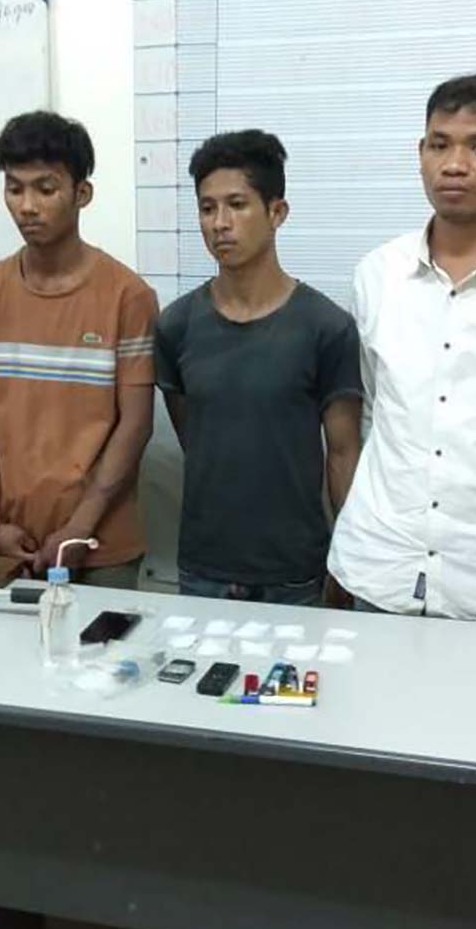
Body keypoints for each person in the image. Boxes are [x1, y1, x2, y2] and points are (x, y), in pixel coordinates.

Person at [329, 67, 476, 622]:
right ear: (421, 152)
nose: (455, 164)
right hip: (381, 563)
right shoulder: (378, 275)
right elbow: (375, 406)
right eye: (439, 145)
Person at [155, 129, 362, 604]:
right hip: (204, 568)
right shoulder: (176, 325)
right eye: (207, 208)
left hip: (295, 571)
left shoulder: (326, 327)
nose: (220, 224)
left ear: (276, 212)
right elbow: (195, 437)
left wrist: (348, 561)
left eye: (237, 205)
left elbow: (343, 454)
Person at [0, 110, 157, 587]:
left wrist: (79, 528)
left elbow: (135, 424)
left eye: (45, 189)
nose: (27, 206)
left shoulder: (127, 296)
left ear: (81, 193)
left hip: (102, 547)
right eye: (15, 189)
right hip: (11, 544)